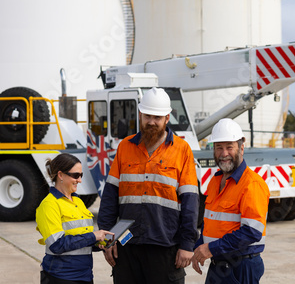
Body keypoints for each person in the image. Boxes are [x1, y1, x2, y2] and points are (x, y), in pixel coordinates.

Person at [98, 87, 199, 284]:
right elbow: (110, 197)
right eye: (147, 116)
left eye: (157, 117)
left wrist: (187, 244)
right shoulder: (125, 147)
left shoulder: (182, 150)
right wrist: (106, 240)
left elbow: (190, 202)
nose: (151, 122)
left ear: (167, 118)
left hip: (165, 246)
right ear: (140, 115)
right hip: (126, 246)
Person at [191, 118, 270, 284]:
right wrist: (199, 248)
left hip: (241, 266)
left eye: (229, 147)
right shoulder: (215, 181)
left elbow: (251, 232)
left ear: (241, 147)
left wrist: (210, 249)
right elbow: (211, 221)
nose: (224, 153)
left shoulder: (251, 184)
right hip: (218, 263)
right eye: (219, 147)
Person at [36, 153, 113, 284]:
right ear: (60, 175)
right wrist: (93, 237)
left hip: (85, 275)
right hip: (61, 277)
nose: (80, 180)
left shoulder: (78, 201)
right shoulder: (49, 205)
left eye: (81, 175)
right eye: (76, 175)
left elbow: (81, 240)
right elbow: (56, 245)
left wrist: (101, 243)